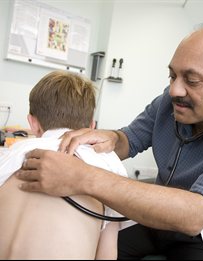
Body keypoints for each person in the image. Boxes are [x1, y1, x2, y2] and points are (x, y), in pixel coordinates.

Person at [16, 25, 203, 260]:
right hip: (155, 219)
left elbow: (195, 215)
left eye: (192, 80)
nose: (174, 90)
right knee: (91, 245)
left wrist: (83, 177)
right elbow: (128, 140)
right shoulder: (169, 102)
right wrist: (112, 137)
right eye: (172, 75)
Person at [0, 70, 128, 260]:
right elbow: (107, 255)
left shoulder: (12, 154)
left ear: (32, 124)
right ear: (91, 126)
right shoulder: (107, 164)